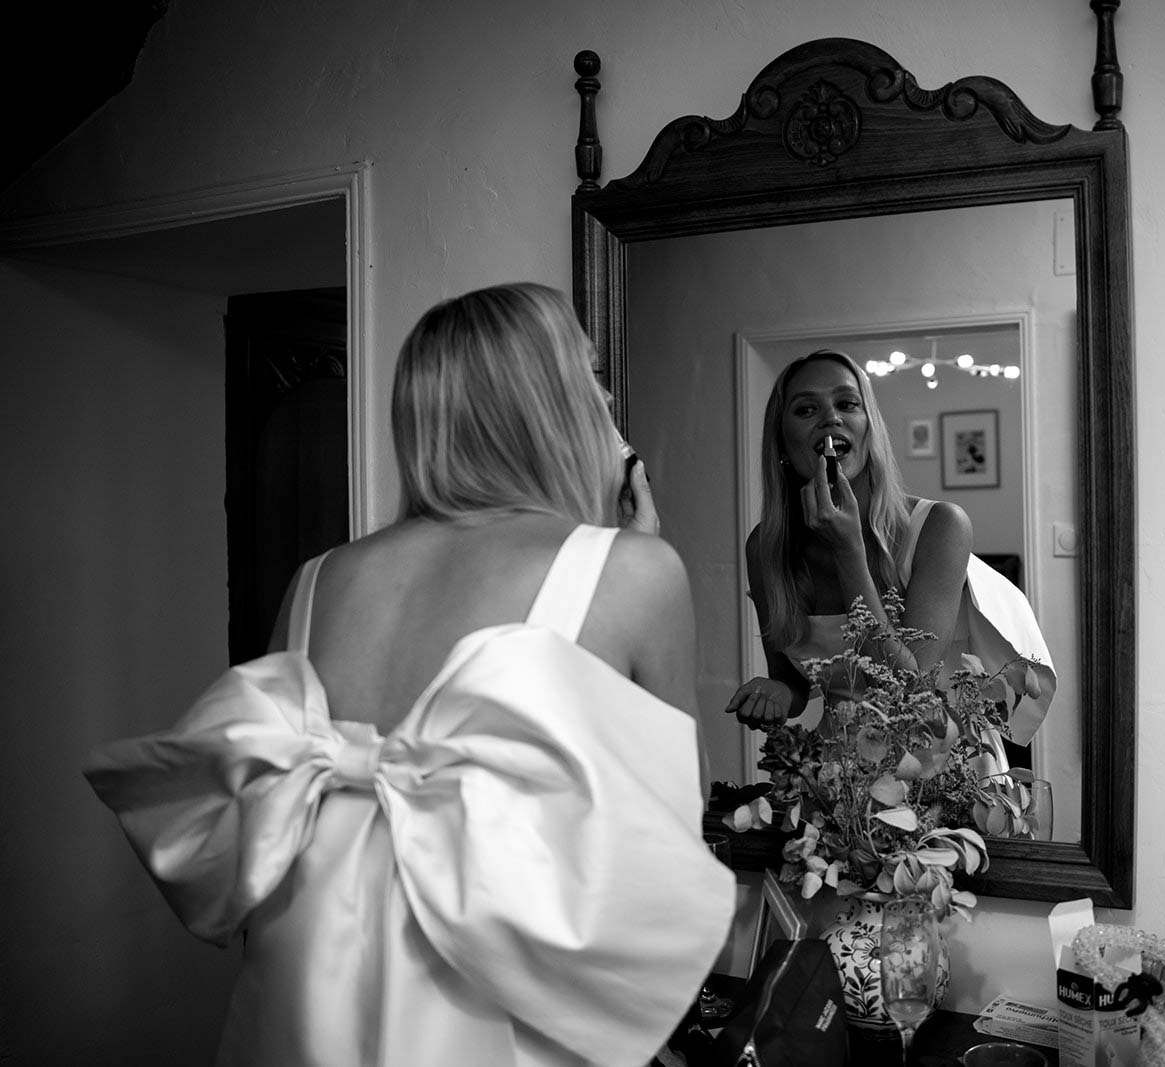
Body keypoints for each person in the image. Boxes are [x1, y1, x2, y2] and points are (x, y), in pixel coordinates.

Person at [85, 282, 735, 1067]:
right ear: (549, 401)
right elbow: (678, 815)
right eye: (587, 371)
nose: (602, 392)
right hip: (500, 1010)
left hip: (306, 1003)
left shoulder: (318, 580)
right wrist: (636, 543)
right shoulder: (634, 569)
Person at [723, 350, 974, 726]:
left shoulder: (940, 527)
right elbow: (792, 682)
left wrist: (849, 550)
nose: (831, 418)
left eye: (847, 404)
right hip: (836, 767)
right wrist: (776, 693)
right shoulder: (765, 548)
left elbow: (913, 691)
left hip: (934, 763)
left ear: (868, 427)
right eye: (806, 410)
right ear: (782, 446)